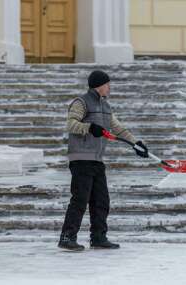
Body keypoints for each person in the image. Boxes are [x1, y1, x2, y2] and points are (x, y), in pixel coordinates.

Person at [58, 70, 149, 251]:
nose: (110, 87)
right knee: (80, 199)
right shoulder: (81, 102)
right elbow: (71, 124)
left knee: (101, 200)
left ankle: (98, 237)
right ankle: (67, 237)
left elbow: (119, 130)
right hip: (81, 158)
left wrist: (136, 144)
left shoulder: (106, 107)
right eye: (107, 84)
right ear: (99, 85)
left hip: (97, 160)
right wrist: (90, 128)